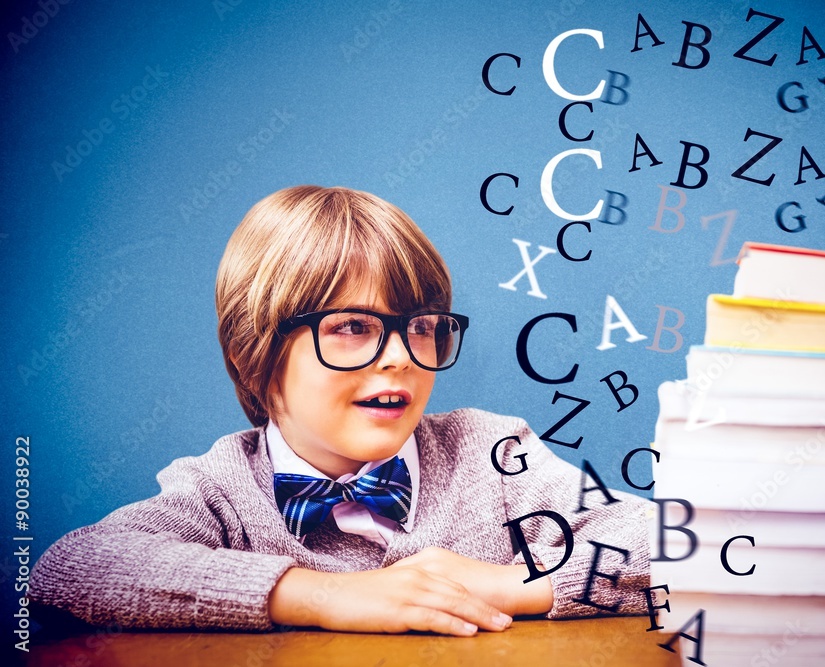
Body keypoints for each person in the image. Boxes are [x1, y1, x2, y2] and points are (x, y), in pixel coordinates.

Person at [30, 186, 651, 636]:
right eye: (353, 326)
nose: (403, 357)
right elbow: (74, 566)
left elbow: (672, 542)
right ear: (255, 354)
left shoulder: (490, 454)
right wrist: (325, 596)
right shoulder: (220, 487)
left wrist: (517, 584)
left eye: (422, 327)